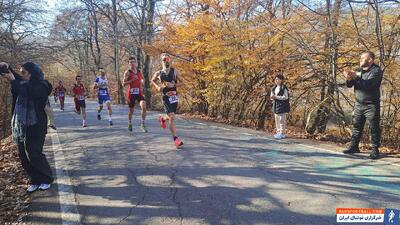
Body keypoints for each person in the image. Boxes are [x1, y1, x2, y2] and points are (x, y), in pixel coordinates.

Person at [0, 62, 54, 193]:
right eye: (21, 72)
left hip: (36, 125)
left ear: (32, 73)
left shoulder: (42, 85)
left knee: (34, 153)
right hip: (21, 125)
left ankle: (46, 178)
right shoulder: (24, 83)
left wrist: (13, 81)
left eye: (24, 72)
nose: (21, 74)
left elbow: (27, 91)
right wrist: (7, 67)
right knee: (23, 155)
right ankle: (34, 179)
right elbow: (18, 79)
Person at [343, 51, 383, 160]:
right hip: (358, 104)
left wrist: (355, 77)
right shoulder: (358, 71)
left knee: (374, 128)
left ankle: (375, 150)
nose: (360, 60)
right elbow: (350, 85)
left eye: (362, 58)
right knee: (356, 126)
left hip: (371, 105)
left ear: (370, 60)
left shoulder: (376, 71)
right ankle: (354, 146)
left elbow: (368, 86)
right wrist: (349, 78)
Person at [151, 54, 185, 148]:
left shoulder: (175, 72)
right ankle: (176, 139)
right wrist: (157, 86)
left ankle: (162, 119)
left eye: (168, 59)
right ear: (161, 61)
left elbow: (183, 82)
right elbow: (152, 80)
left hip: (174, 97)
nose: (166, 61)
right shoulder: (159, 73)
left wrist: (173, 86)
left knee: (171, 117)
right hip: (166, 97)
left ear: (170, 60)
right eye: (164, 59)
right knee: (172, 117)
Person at [123, 56, 147, 132]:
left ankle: (142, 124)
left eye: (133, 62)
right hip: (131, 93)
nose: (132, 63)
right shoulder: (128, 72)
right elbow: (123, 84)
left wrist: (142, 82)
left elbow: (142, 78)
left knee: (143, 106)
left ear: (136, 63)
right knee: (131, 111)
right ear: (129, 64)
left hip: (139, 92)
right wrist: (132, 80)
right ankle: (130, 123)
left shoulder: (139, 71)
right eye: (130, 62)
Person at [270, 74, 290, 139]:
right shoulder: (273, 88)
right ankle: (278, 132)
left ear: (281, 80)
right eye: (275, 79)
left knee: (282, 120)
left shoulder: (283, 88)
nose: (276, 80)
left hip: (282, 106)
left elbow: (285, 97)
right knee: (277, 120)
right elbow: (272, 97)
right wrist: (272, 97)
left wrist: (276, 97)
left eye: (278, 79)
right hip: (275, 106)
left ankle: (282, 133)